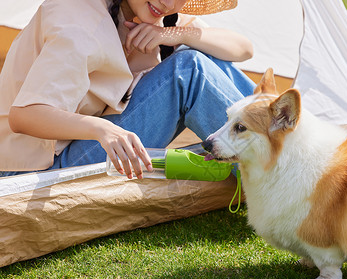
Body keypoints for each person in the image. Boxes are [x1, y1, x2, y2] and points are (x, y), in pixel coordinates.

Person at [0, 0, 256, 179]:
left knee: (205, 53)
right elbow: (24, 115)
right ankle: (275, 168)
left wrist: (177, 34)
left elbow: (244, 48)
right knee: (189, 69)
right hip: (33, 171)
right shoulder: (78, 24)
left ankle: (279, 146)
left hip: (82, 146)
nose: (168, 3)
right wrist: (101, 129)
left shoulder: (156, 15)